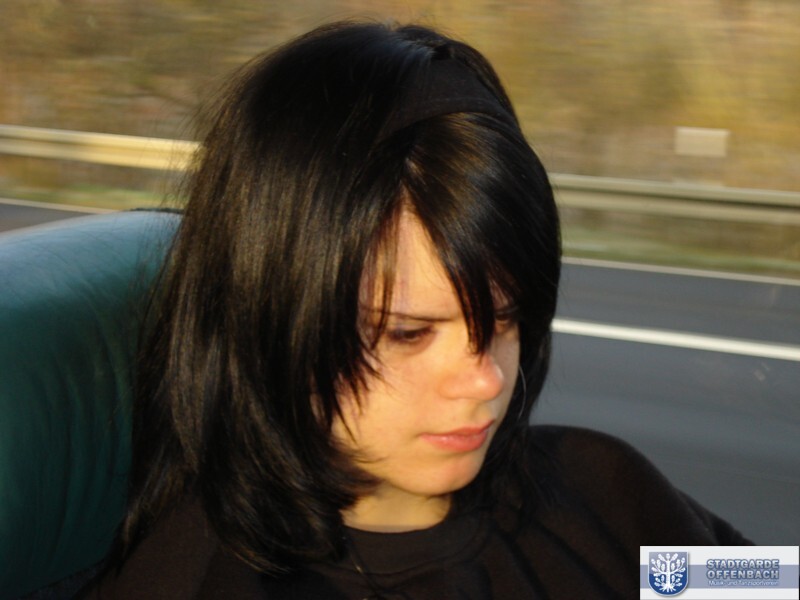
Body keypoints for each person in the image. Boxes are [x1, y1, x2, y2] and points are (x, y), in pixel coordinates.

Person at [82, 20, 749, 600]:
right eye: (406, 332)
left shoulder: (606, 494)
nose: (486, 380)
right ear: (275, 313)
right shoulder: (198, 583)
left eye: (506, 320)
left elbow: (763, 584)